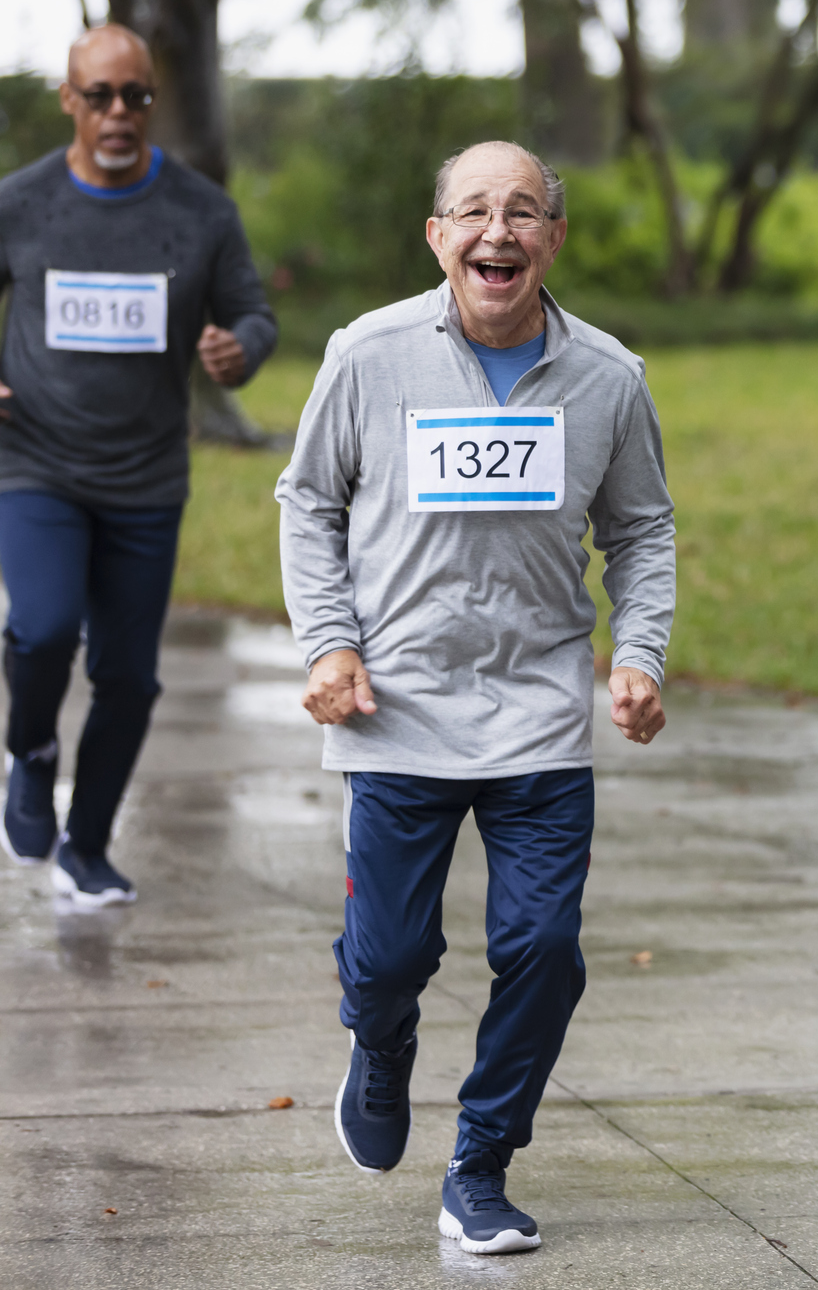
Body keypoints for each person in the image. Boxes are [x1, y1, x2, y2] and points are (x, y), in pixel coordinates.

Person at [275, 140, 675, 1256]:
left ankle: (481, 1162)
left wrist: (637, 655)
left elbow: (641, 529)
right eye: (473, 212)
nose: (497, 233)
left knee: (544, 948)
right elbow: (308, 503)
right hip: (393, 712)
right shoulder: (368, 354)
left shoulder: (608, 376)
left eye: (522, 213)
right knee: (392, 956)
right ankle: (380, 1034)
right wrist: (328, 647)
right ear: (437, 235)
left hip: (539, 711)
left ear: (553, 237)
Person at [0, 25, 277, 904]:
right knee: (42, 629)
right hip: (36, 459)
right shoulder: (24, 202)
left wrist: (240, 350)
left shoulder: (201, 211)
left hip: (147, 477)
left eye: (137, 96)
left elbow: (252, 313)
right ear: (69, 99)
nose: (119, 113)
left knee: (128, 673)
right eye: (100, 95)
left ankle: (87, 847)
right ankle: (32, 748)